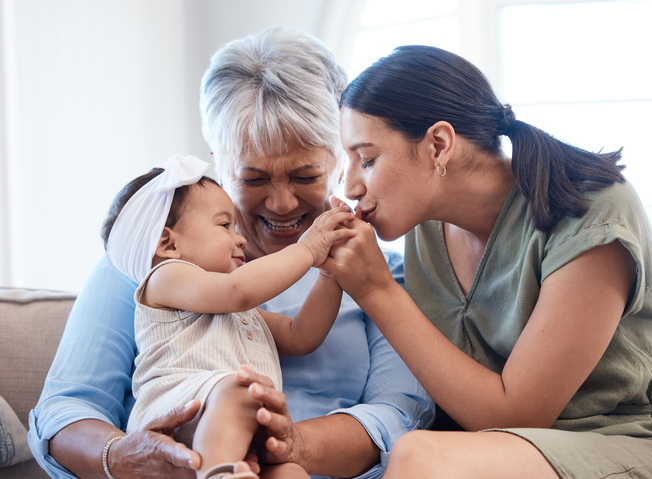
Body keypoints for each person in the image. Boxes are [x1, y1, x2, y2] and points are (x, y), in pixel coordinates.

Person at [28, 28, 434, 479]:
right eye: (254, 178)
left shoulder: (386, 278)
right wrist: (120, 456)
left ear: (339, 159)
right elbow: (66, 408)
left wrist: (292, 446)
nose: (281, 203)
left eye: (304, 176)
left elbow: (399, 415)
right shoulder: (146, 264)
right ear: (219, 160)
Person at [319, 45, 652, 478]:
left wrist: (377, 290)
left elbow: (519, 414)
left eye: (368, 159)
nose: (350, 185)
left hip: (627, 445)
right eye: (348, 163)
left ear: (438, 145)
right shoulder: (424, 231)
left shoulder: (592, 210)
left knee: (418, 457)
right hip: (497, 456)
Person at [102, 154, 356, 479]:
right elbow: (238, 291)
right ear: (168, 243)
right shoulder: (165, 278)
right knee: (243, 390)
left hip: (233, 435)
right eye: (225, 225)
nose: (240, 239)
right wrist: (308, 249)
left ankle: (222, 469)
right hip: (177, 417)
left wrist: (330, 274)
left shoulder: (240, 314)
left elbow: (299, 335)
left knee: (290, 471)